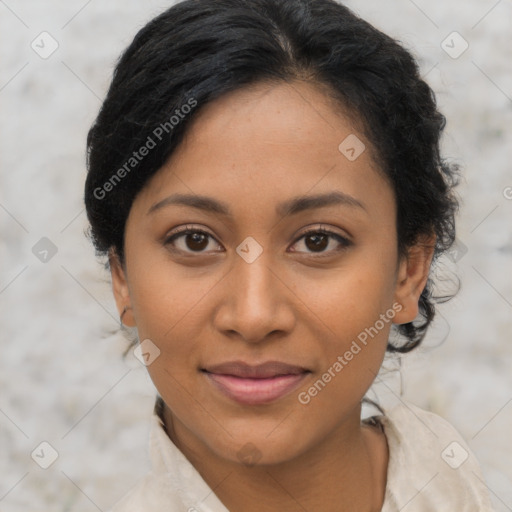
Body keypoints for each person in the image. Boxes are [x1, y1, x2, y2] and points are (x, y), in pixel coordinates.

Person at [84, 0, 495, 510]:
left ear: (409, 271)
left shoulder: (461, 491)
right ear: (122, 275)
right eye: (194, 240)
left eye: (318, 241)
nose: (254, 316)